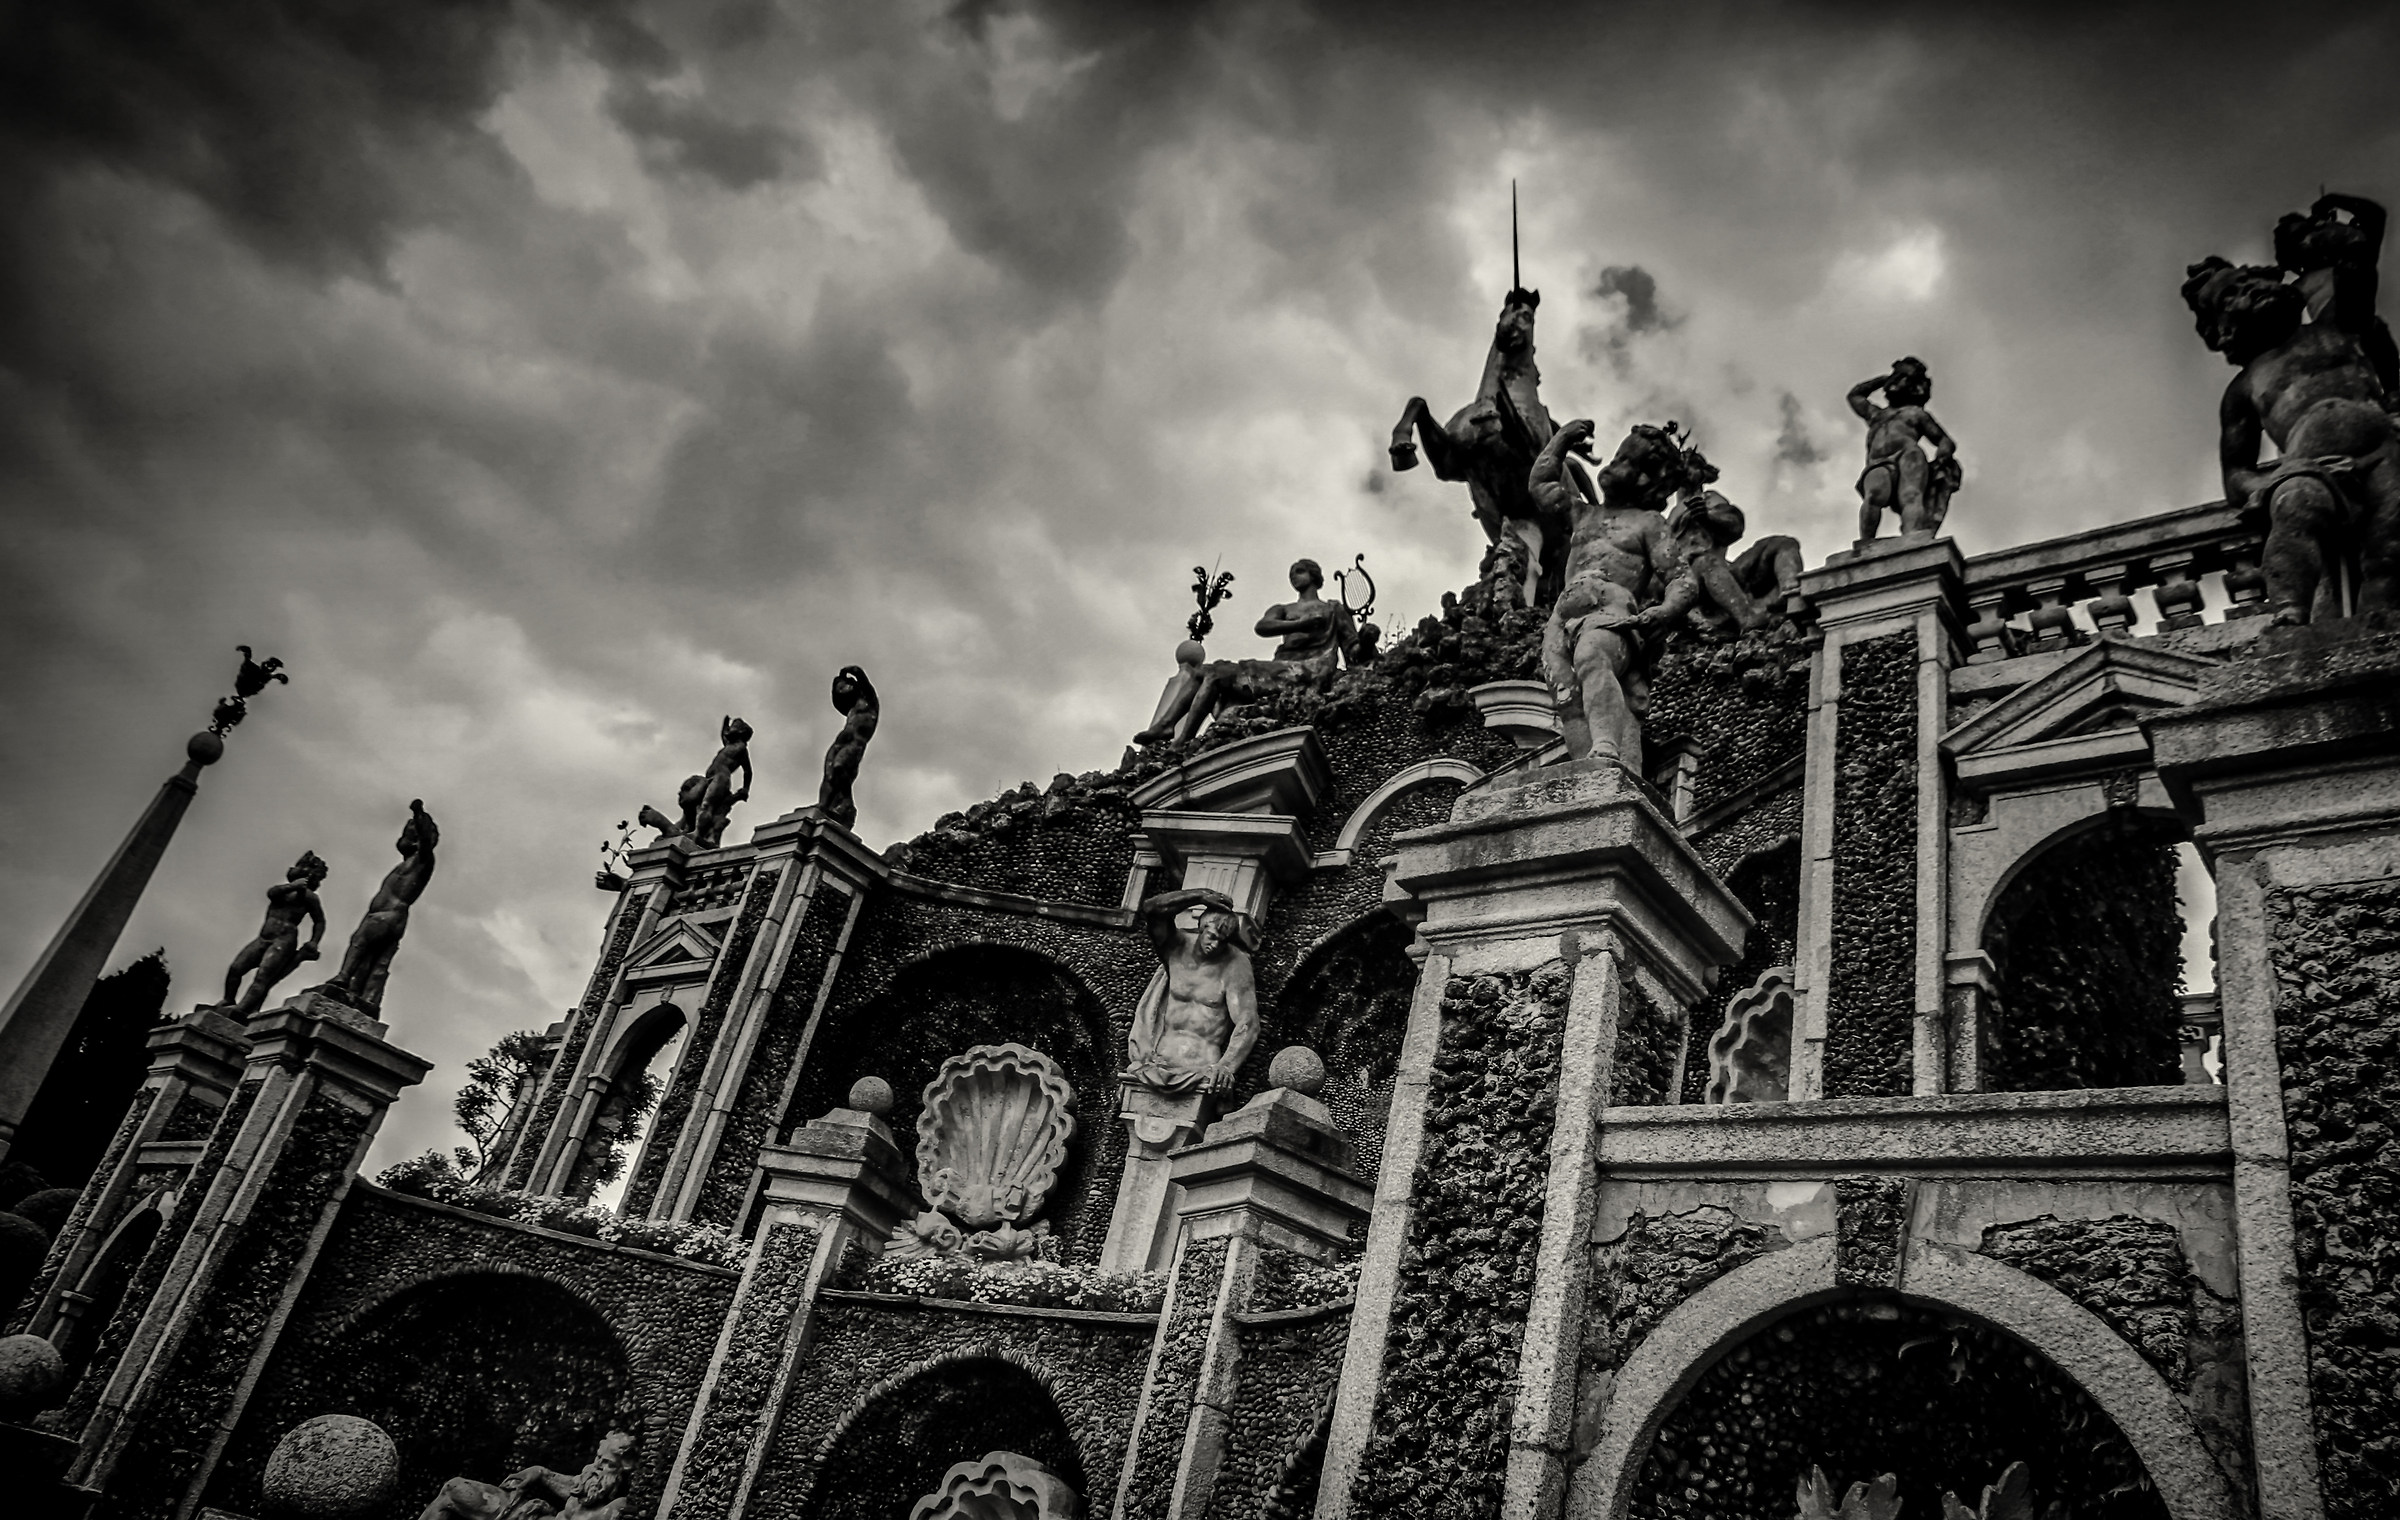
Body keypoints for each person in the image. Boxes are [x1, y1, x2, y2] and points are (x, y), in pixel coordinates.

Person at [2184, 256, 2400, 624]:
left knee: (2391, 546)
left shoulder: (2339, 327)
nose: (2249, 290)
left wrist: (2325, 244)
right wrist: (2275, 482)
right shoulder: (2245, 387)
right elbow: (2236, 474)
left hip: (2384, 452)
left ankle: (2379, 627)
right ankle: (2289, 615)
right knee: (2296, 508)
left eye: (2249, 281)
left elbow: (2357, 266)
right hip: (2312, 468)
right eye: (2231, 295)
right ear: (2223, 328)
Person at [1530, 419, 1684, 765]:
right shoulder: (1583, 514)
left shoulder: (1648, 524)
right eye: (1618, 456)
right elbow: (1541, 485)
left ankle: (1607, 749)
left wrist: (1667, 610)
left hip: (1611, 612)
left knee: (1593, 657)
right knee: (1566, 696)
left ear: (1648, 480)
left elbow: (1680, 577)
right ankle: (1589, 770)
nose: (1615, 465)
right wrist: (1561, 440)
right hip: (1562, 616)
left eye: (1627, 461)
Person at [1134, 560, 1353, 746]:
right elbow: (1263, 626)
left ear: (1314, 575)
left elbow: (1352, 647)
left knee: (1217, 674)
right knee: (1203, 671)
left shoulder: (1332, 609)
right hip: (1282, 666)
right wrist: (1300, 624)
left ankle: (1182, 741)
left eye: (1299, 571)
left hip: (1308, 671)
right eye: (1291, 574)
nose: (1294, 578)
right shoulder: (1284, 609)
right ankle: (1167, 726)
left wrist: (1368, 640)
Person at [1125, 888, 1260, 1094]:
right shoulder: (1175, 947)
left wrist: (1226, 1066)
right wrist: (1198, 896)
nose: (1214, 945)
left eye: (1222, 942)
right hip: (1156, 1065)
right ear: (1201, 927)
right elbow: (1151, 909)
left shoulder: (1235, 964)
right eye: (1212, 936)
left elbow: (1248, 1022)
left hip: (1201, 1073)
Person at [326, 800, 438, 1010]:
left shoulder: (422, 860)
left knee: (359, 942)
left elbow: (425, 839)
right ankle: (360, 996)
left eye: (409, 833)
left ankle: (343, 977)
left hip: (386, 916)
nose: (404, 837)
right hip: (394, 918)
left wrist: (418, 814)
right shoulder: (410, 863)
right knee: (374, 963)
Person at [1847, 358, 1960, 541]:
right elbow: (1854, 396)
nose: (1898, 383)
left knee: (1910, 495)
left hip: (1909, 454)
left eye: (1903, 379)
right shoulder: (1876, 414)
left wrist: (1942, 454)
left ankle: (1912, 540)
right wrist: (1883, 380)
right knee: (1874, 493)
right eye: (1898, 378)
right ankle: (1865, 545)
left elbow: (1944, 440)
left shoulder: (1916, 413)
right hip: (1879, 461)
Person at [420, 1431, 635, 1520]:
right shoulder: (589, 1480)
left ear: (624, 1467)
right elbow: (560, 1481)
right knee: (454, 1488)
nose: (597, 1465)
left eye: (606, 1462)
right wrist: (537, 1471)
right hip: (530, 1515)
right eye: (598, 1456)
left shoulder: (618, 1507)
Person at [221, 851, 329, 1017]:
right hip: (263, 937)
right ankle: (228, 999)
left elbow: (320, 921)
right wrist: (294, 886)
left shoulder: (309, 897)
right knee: (236, 968)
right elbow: (272, 893)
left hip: (283, 940)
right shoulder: (283, 891)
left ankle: (242, 1009)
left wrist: (314, 941)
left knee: (262, 977)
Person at [819, 668, 879, 828]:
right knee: (829, 775)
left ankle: (847, 804)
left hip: (855, 744)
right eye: (838, 689)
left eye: (842, 686)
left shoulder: (869, 701)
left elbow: (859, 673)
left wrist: (845, 672)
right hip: (841, 742)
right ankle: (824, 806)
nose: (840, 690)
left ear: (852, 685)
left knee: (839, 767)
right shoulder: (851, 710)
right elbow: (838, 703)